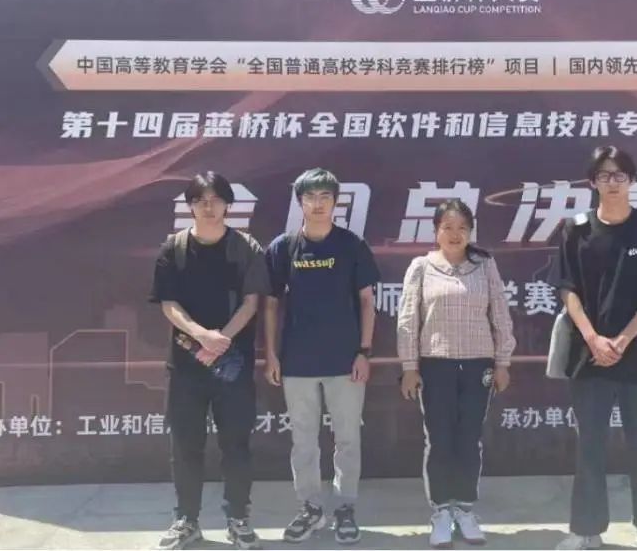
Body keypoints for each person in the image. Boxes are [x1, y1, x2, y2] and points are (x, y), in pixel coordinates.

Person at [553, 147, 637, 551]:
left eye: (619, 175)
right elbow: (568, 291)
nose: (612, 182)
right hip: (589, 357)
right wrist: (593, 338)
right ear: (592, 182)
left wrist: (624, 339)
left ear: (632, 181)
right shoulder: (575, 230)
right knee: (589, 448)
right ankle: (585, 530)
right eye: (604, 175)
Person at [149, 172, 271, 550]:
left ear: (228, 205)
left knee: (236, 445)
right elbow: (168, 303)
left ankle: (238, 520)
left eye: (216, 199)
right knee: (186, 446)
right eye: (200, 200)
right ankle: (187, 520)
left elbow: (252, 302)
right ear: (190, 206)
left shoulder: (246, 248)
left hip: (232, 368)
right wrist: (201, 335)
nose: (208, 206)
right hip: (186, 367)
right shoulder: (174, 248)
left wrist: (222, 340)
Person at [264, 169, 380, 545]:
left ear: (335, 202)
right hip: (296, 362)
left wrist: (364, 351)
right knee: (304, 441)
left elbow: (367, 302)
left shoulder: (351, 245)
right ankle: (310, 508)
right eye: (310, 197)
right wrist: (271, 354)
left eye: (325, 197)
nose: (317, 204)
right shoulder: (283, 247)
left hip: (345, 361)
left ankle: (345, 507)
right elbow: (270, 305)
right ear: (300, 202)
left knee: (347, 439)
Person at [397, 199, 516, 549]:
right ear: (436, 230)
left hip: (479, 365)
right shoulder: (421, 267)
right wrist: (409, 367)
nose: (454, 234)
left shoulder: (485, 266)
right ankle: (440, 511)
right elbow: (408, 320)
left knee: (469, 439)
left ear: (471, 232)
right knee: (439, 440)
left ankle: (464, 509)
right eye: (447, 227)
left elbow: (500, 314)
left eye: (462, 228)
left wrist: (503, 362)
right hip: (436, 366)